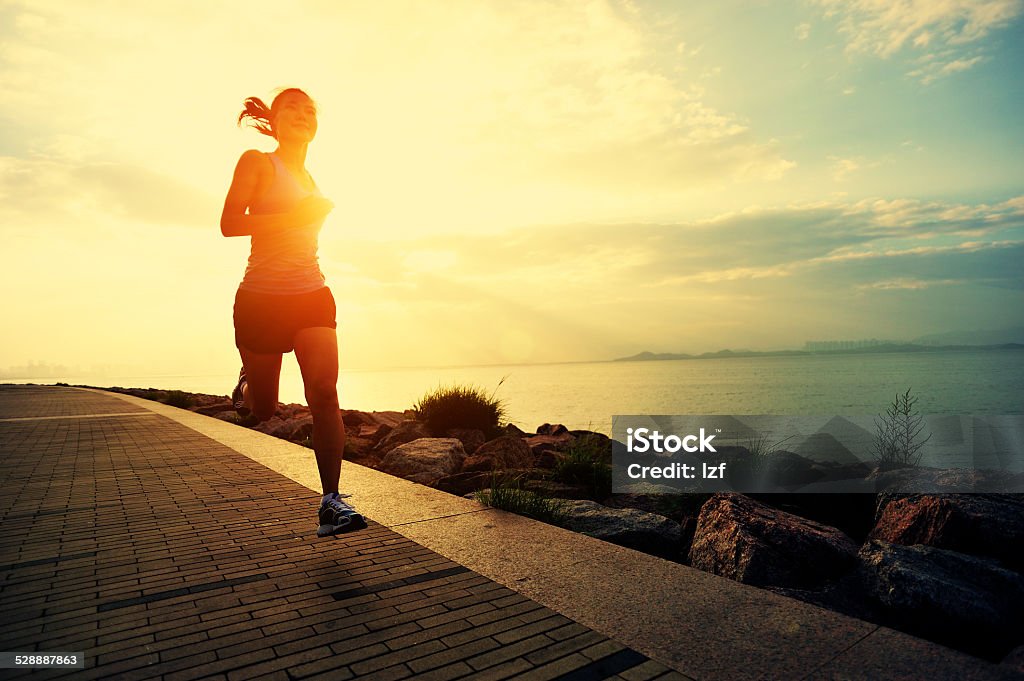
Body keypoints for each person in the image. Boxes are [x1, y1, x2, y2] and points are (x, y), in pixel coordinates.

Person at [220, 87, 366, 537]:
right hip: (261, 299)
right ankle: (248, 382)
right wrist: (294, 215)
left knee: (324, 392)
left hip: (311, 293)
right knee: (264, 411)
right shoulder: (258, 162)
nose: (303, 114)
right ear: (275, 120)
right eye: (292, 108)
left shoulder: (313, 178)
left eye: (310, 110)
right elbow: (229, 223)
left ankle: (331, 501)